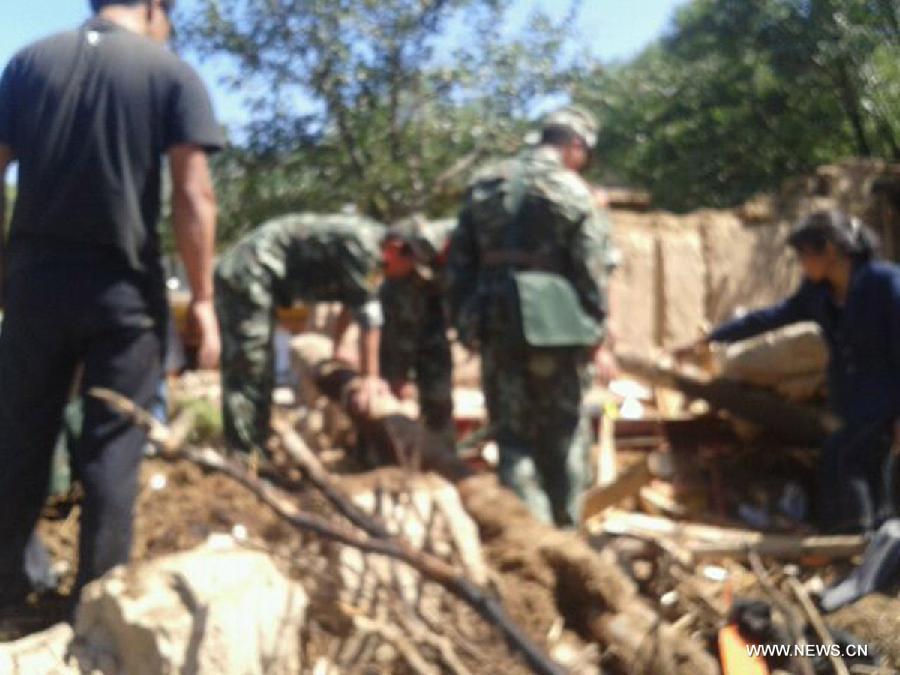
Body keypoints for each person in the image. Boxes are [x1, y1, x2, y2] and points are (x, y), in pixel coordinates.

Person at [0, 0, 223, 603]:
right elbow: (193, 192)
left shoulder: (27, 62)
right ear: (155, 7)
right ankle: (95, 605)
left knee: (19, 441)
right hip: (121, 292)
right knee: (112, 448)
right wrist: (202, 298)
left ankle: (7, 595)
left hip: (33, 287)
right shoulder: (168, 71)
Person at [678, 210, 900, 533]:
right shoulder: (818, 294)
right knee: (855, 464)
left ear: (830, 250)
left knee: (847, 459)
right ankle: (866, 541)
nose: (801, 264)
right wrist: (711, 338)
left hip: (884, 403)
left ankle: (863, 542)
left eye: (803, 255)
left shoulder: (886, 286)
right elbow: (768, 318)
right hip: (851, 403)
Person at [447, 105, 614, 527]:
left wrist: (467, 322)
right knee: (564, 438)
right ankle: (565, 536)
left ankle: (530, 537)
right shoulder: (574, 190)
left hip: (495, 323)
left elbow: (458, 264)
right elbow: (592, 269)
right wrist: (597, 331)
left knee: (512, 437)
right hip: (558, 329)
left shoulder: (483, 183)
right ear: (575, 146)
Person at [215, 212, 389, 456]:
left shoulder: (374, 248)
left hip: (262, 276)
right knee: (250, 365)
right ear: (399, 248)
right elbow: (368, 313)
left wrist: (339, 348)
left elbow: (352, 299)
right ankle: (245, 457)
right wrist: (370, 378)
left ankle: (255, 446)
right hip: (249, 272)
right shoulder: (365, 245)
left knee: (260, 365)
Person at [380, 217, 455, 450]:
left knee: (438, 397)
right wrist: (397, 375)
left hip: (434, 327)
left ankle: (442, 448)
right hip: (404, 320)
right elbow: (398, 333)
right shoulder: (394, 285)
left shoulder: (454, 241)